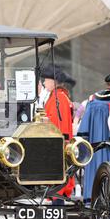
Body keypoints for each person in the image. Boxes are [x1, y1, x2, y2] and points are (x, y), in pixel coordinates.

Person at [41, 66, 74, 202]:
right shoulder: (59, 96)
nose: (44, 83)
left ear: (54, 82)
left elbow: (56, 123)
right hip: (59, 139)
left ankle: (57, 200)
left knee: (58, 170)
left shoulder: (58, 97)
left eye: (46, 80)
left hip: (56, 140)